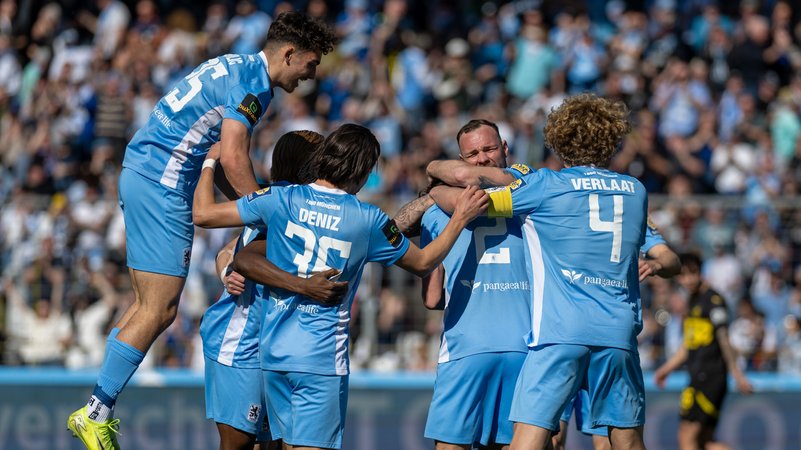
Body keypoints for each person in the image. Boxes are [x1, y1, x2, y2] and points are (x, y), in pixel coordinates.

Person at [67, 12, 337, 450]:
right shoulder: (254, 87)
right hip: (164, 183)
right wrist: (271, 214)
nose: (310, 75)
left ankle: (97, 408)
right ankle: (95, 412)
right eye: (310, 64)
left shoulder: (232, 65)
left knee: (146, 306)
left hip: (144, 172)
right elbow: (232, 157)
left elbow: (219, 153)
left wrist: (254, 204)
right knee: (160, 309)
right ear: (289, 54)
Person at [192, 123, 488, 450]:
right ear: (362, 174)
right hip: (320, 361)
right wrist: (459, 217)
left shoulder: (279, 197)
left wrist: (207, 164)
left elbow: (205, 216)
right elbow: (422, 262)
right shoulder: (367, 218)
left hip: (273, 356)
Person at [427, 93, 647, 450]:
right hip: (619, 330)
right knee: (627, 441)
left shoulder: (547, 186)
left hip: (562, 330)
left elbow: (472, 198)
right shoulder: (636, 191)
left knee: (529, 441)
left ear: (558, 139)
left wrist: (434, 175)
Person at [202, 130, 346, 450]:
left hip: (271, 341)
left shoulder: (296, 204)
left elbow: (229, 249)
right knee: (239, 443)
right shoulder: (283, 202)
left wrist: (226, 267)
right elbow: (236, 251)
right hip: (239, 340)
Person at [422, 119, 531, 450]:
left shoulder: (436, 213)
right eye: (474, 154)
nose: (483, 159)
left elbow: (431, 298)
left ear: (505, 149)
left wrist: (434, 192)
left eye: (489, 149)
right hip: (526, 347)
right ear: (461, 159)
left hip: (466, 348)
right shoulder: (536, 202)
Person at [554, 221, 681, 450]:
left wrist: (656, 264)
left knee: (608, 442)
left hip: (607, 338)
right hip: (565, 333)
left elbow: (671, 260)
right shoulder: (566, 199)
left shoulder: (628, 210)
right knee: (553, 439)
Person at [654, 253, 753, 450]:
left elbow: (724, 339)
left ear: (701, 272)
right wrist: (666, 368)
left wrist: (737, 374)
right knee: (704, 441)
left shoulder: (714, 301)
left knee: (686, 435)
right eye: (683, 275)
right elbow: (688, 345)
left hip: (709, 377)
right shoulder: (692, 301)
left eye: (693, 273)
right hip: (698, 375)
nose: (688, 280)